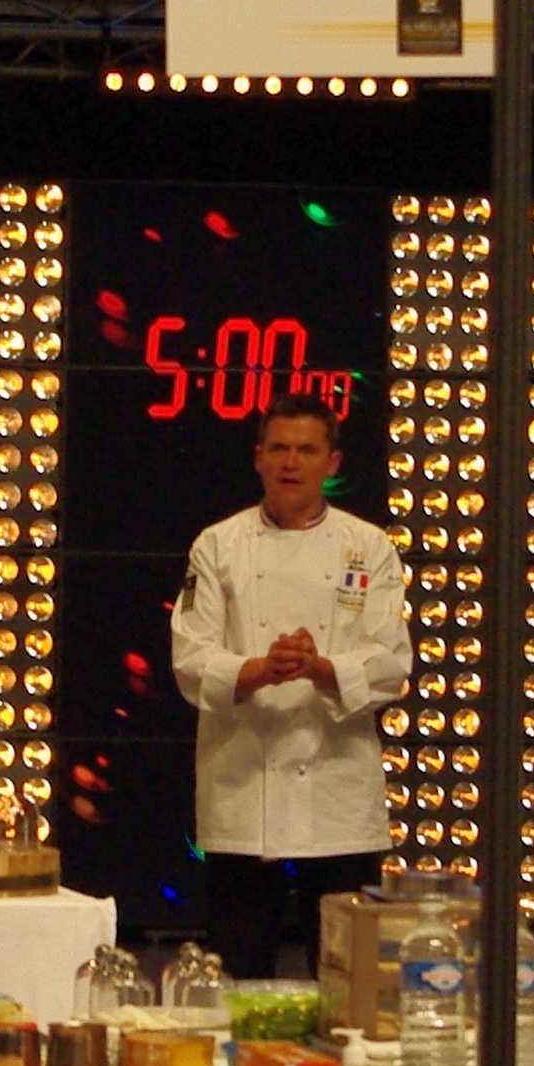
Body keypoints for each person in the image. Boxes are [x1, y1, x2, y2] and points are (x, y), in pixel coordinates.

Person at [170, 393, 413, 980]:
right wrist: (263, 669)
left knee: (346, 977)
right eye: (279, 448)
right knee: (239, 974)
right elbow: (190, 659)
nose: (290, 462)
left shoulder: (369, 547)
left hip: (337, 792)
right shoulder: (218, 545)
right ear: (258, 457)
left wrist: (318, 667)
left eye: (306, 450)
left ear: (332, 463)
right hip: (241, 786)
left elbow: (391, 663)